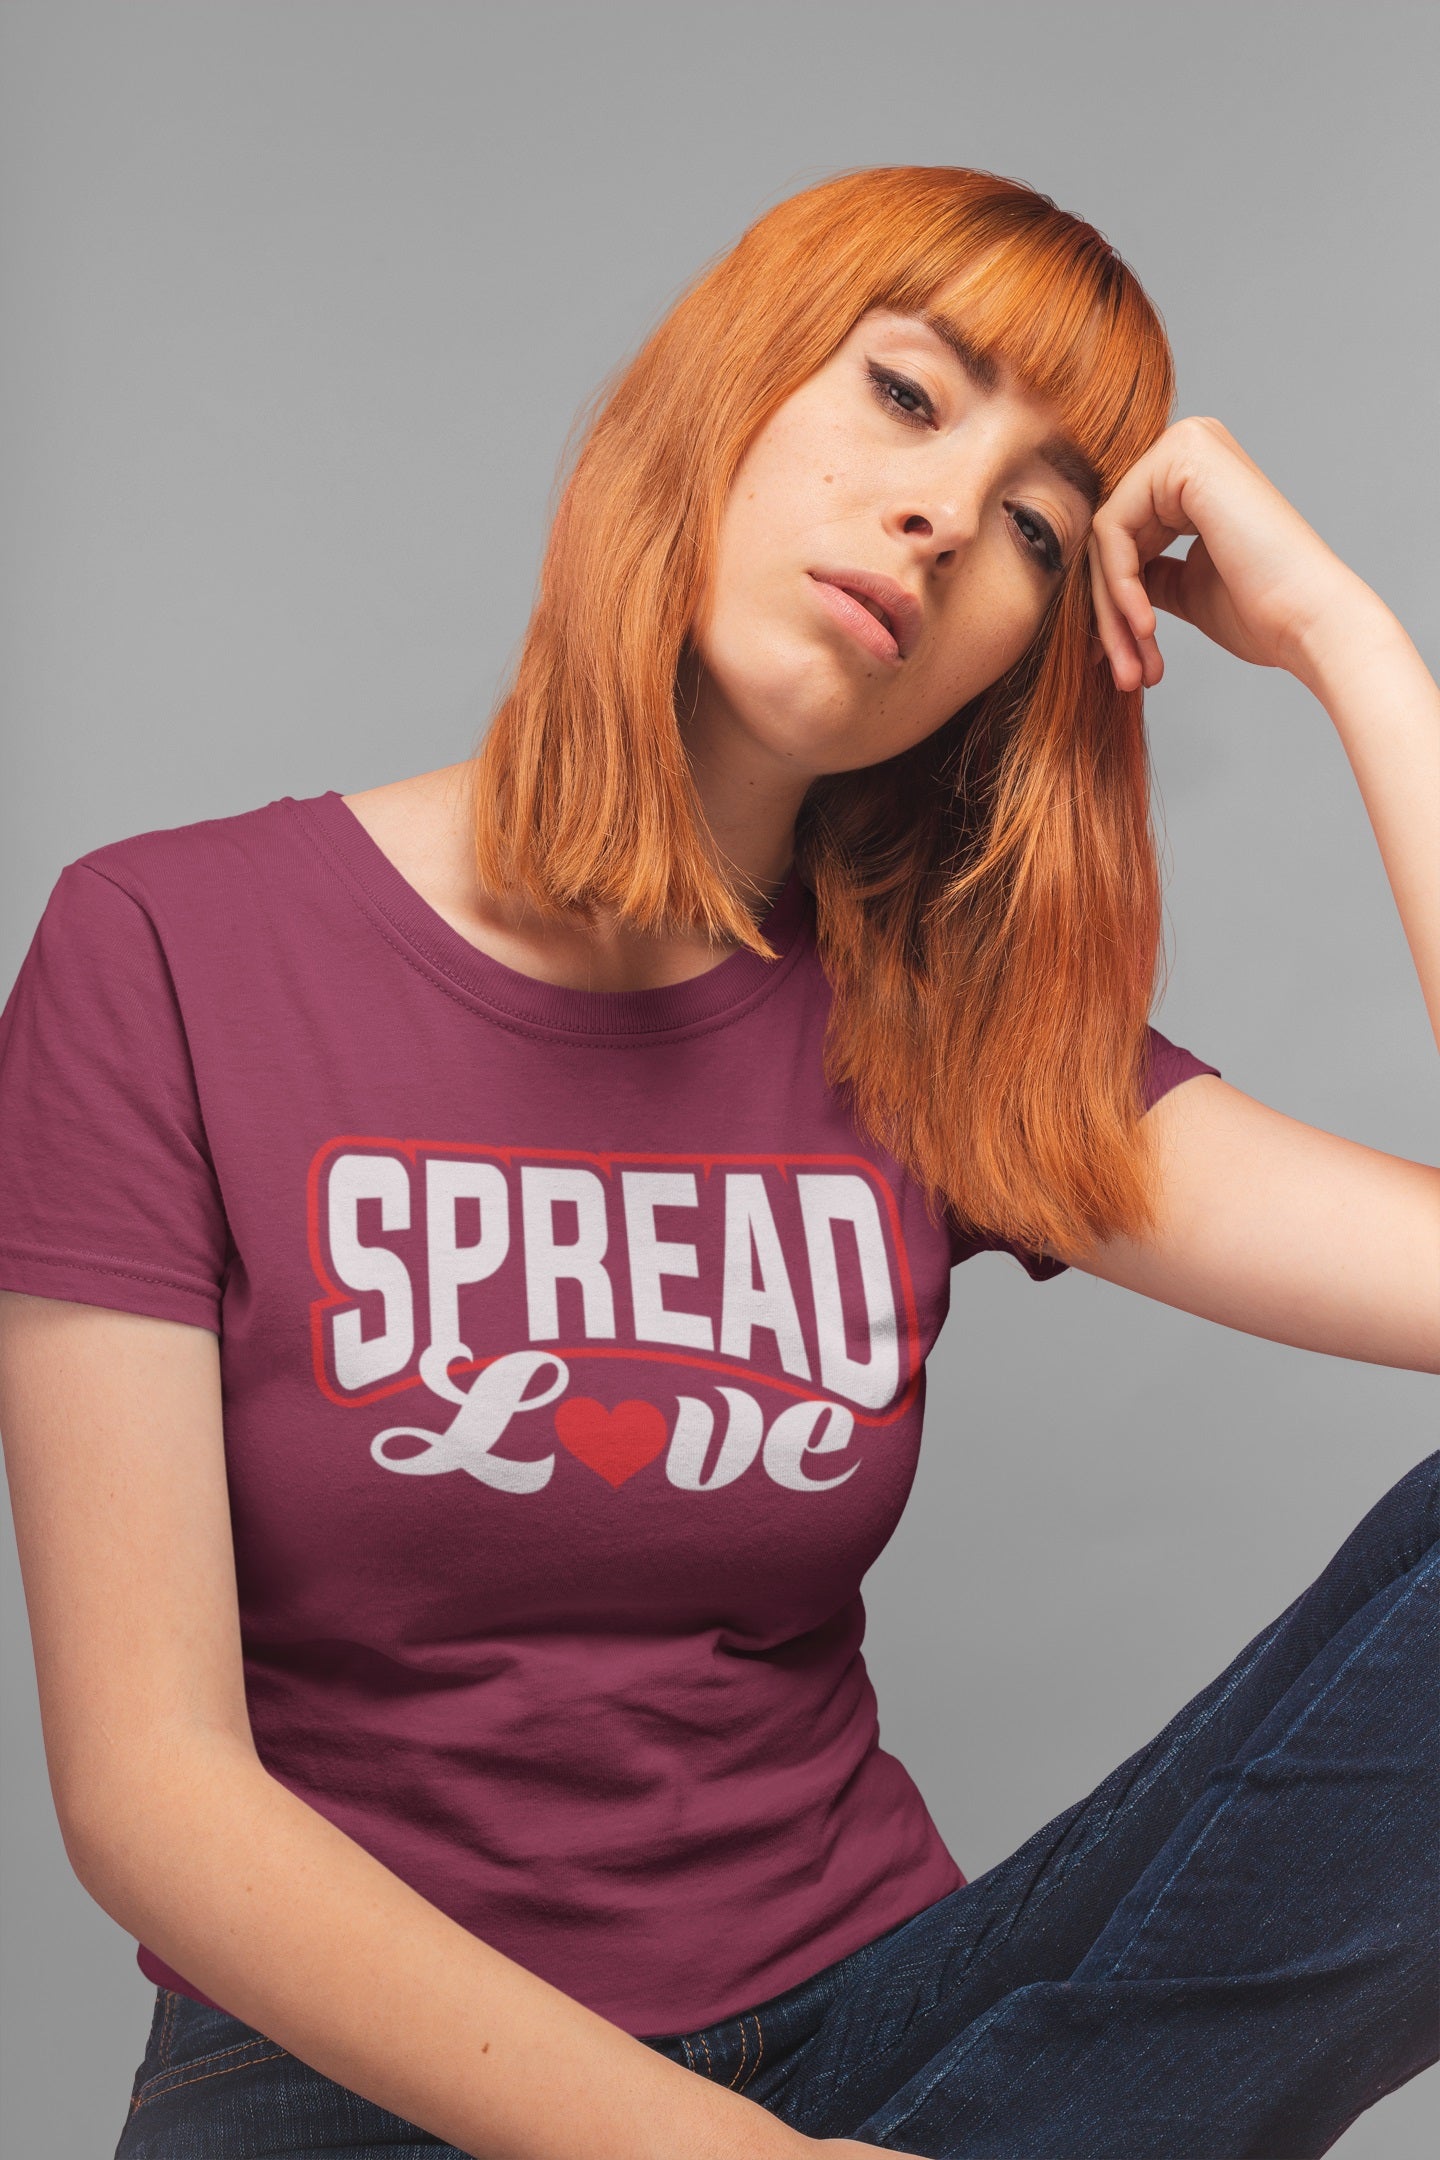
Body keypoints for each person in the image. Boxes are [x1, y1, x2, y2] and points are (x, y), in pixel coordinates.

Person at [0, 164, 1434, 2160]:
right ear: (726, 390)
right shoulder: (164, 948)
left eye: (1039, 522)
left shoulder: (938, 1040)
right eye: (910, 399)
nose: (946, 516)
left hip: (904, 2050)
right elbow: (149, 1793)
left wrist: (1353, 644)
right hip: (346, 2090)